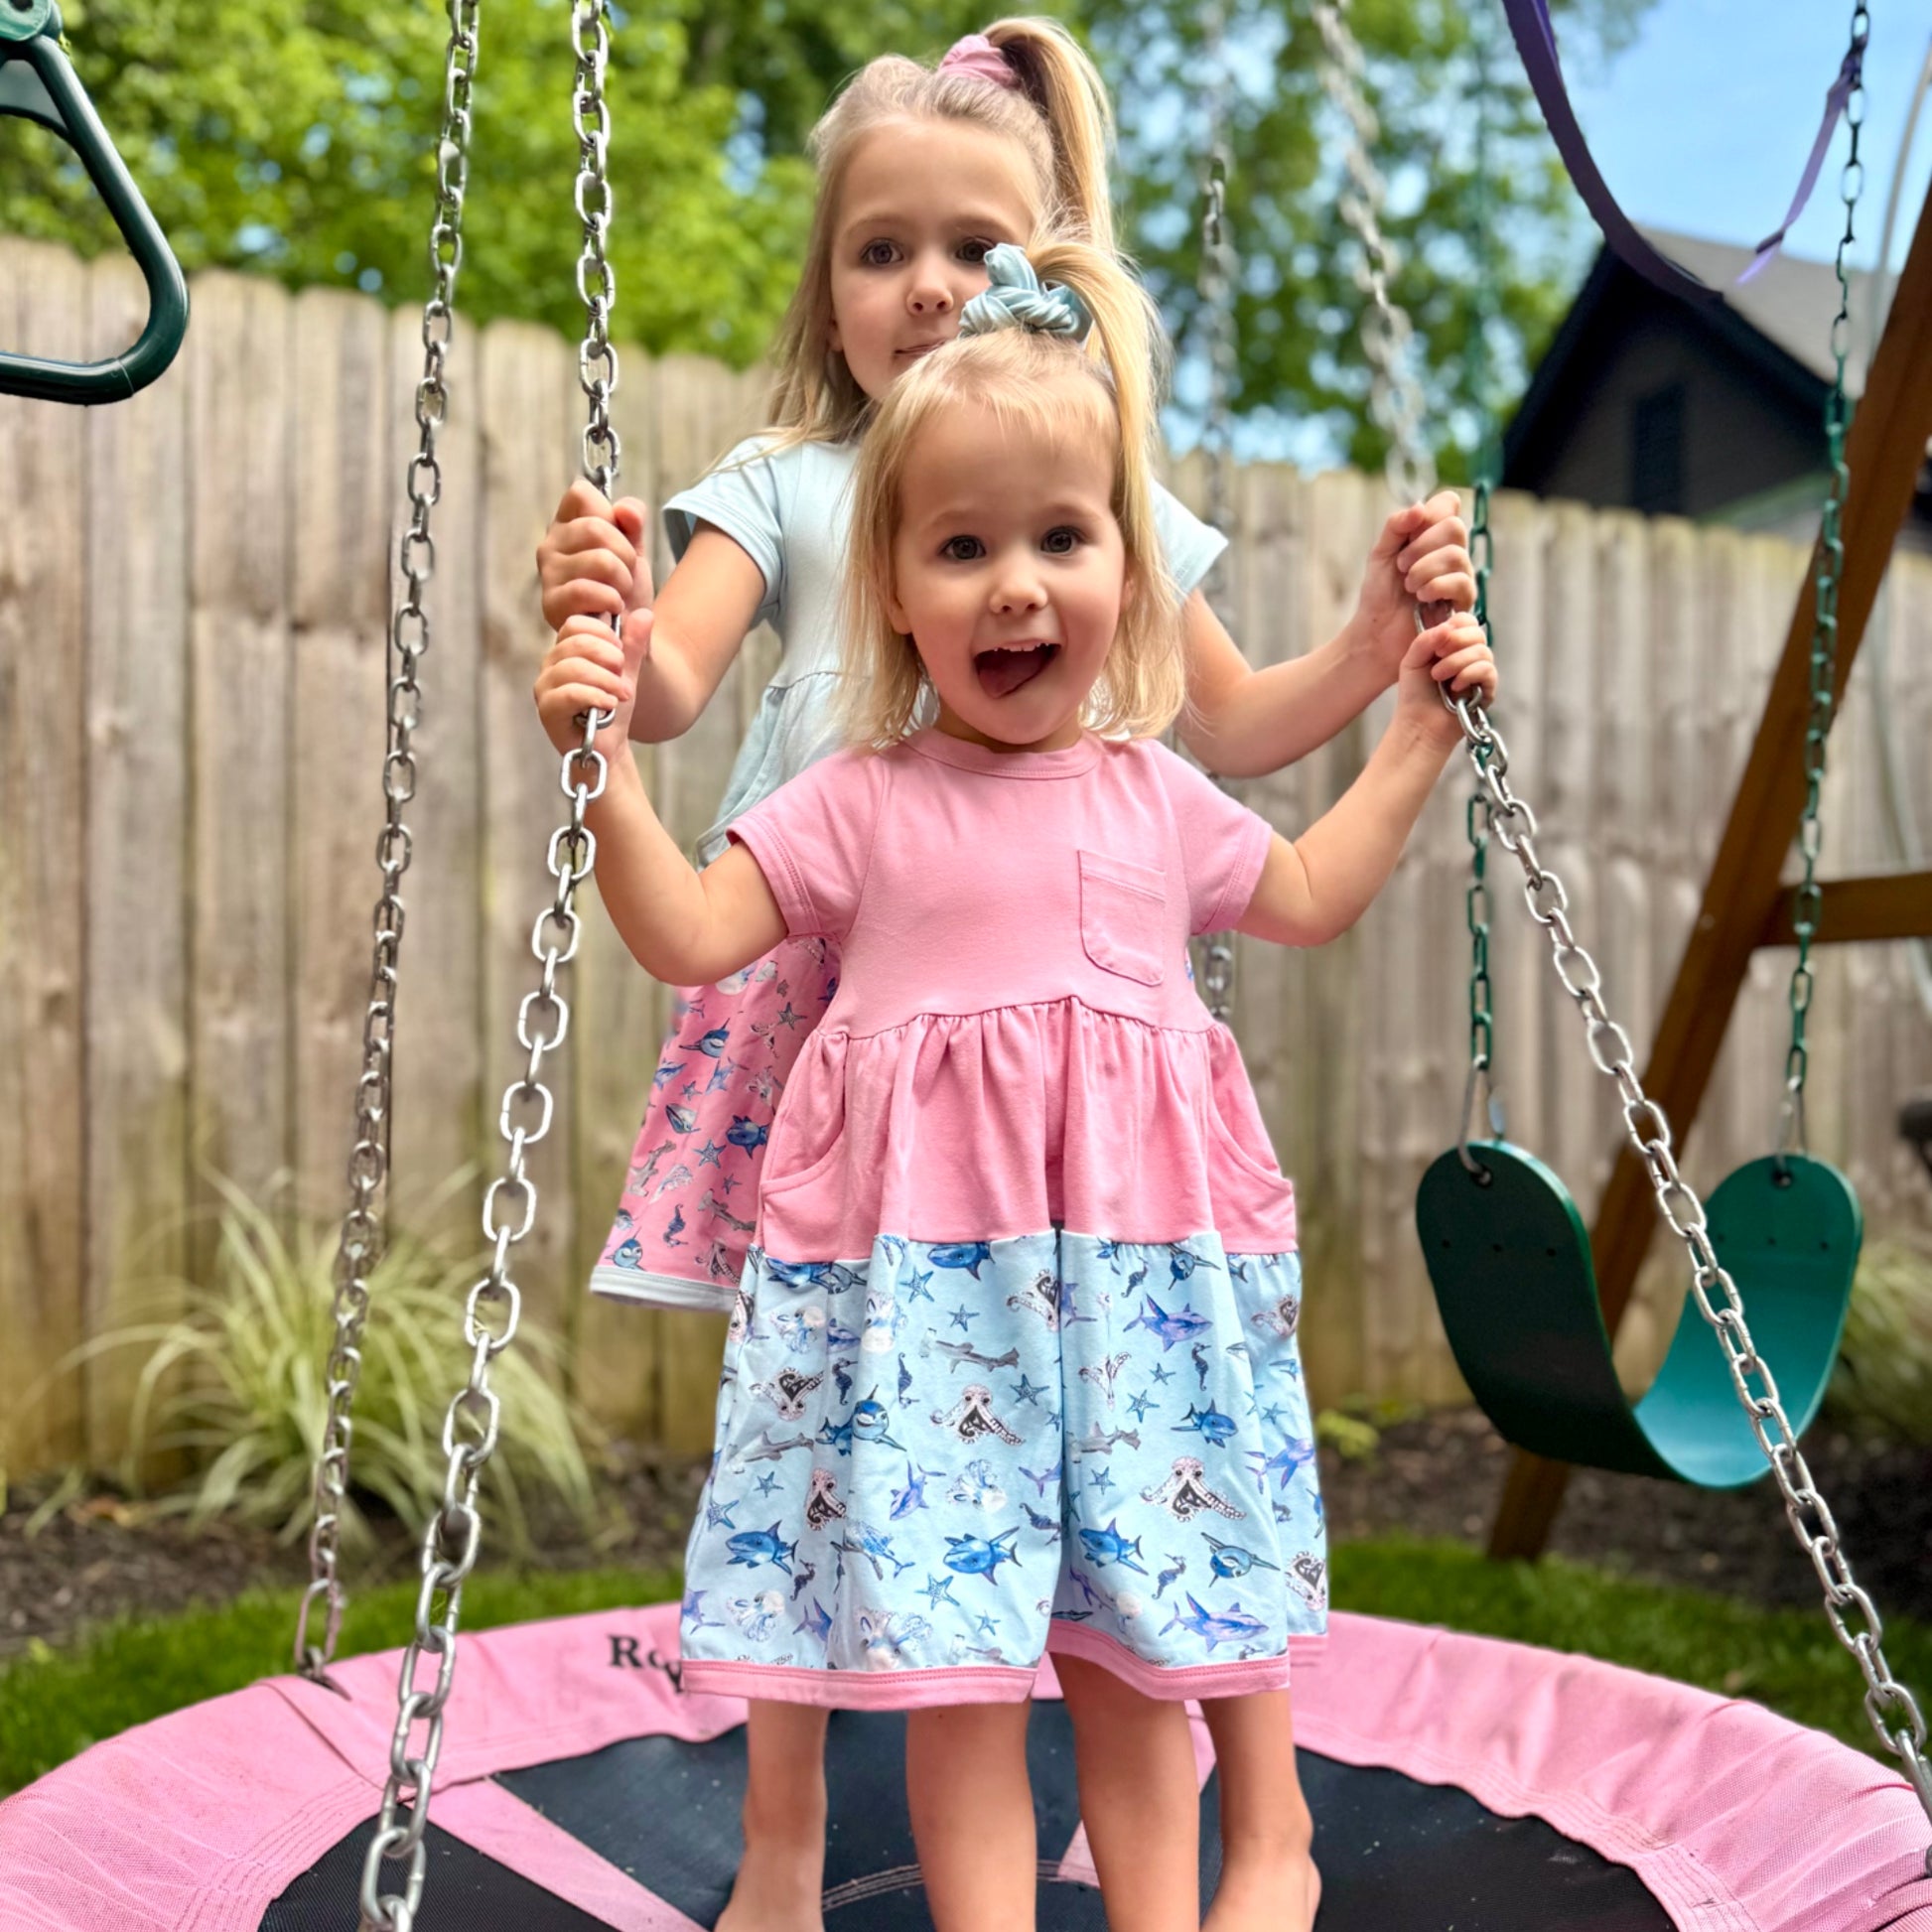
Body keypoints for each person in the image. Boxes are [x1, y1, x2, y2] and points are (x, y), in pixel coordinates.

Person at [534, 235, 1496, 1932]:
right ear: (893, 589)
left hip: (1138, 1310)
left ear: (1128, 568)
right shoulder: (855, 801)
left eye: (1060, 538)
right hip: (932, 1320)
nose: (1013, 586)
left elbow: (1306, 891)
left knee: (1134, 1674)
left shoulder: (1153, 798)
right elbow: (685, 931)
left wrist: (1413, 732)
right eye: (961, 547)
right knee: (957, 1688)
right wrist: (601, 763)